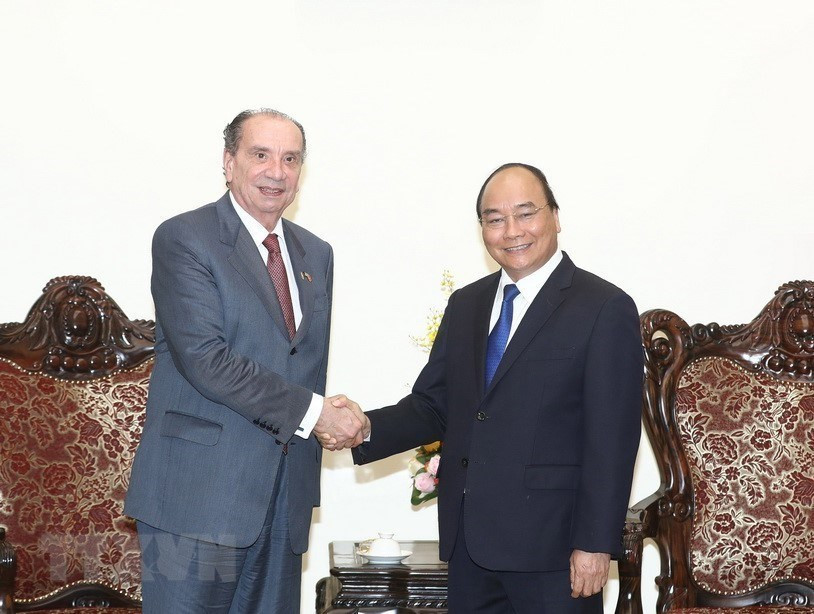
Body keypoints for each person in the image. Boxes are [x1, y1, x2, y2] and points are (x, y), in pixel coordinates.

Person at [341, 163, 643, 613]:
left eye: (526, 214)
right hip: (471, 548)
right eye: (494, 218)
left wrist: (595, 544)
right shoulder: (466, 304)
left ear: (555, 217)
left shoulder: (604, 307)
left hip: (555, 554)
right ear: (481, 227)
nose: (511, 231)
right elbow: (434, 404)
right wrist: (365, 428)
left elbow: (613, 439)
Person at [125, 108, 366, 613]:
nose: (276, 171)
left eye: (290, 158)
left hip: (283, 502)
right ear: (228, 162)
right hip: (198, 499)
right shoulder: (185, 239)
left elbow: (300, 362)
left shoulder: (315, 254)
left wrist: (334, 414)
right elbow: (207, 359)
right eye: (260, 154)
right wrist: (317, 413)